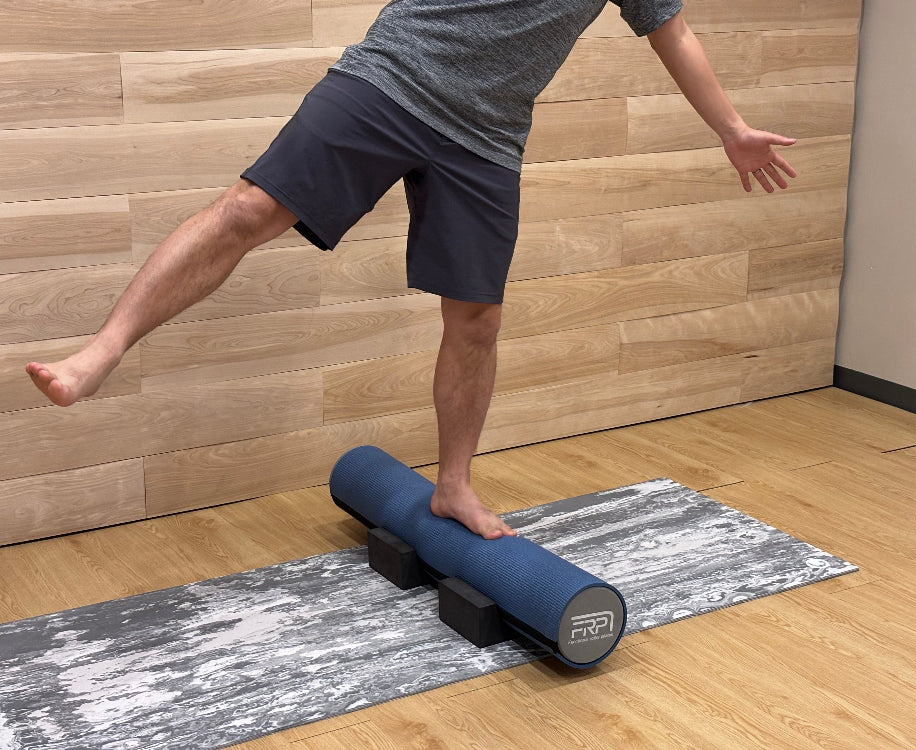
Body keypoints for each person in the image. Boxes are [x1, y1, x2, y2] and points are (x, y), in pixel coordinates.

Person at [26, 0, 795, 540]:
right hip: (390, 79)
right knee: (249, 210)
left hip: (487, 134)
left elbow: (672, 30)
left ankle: (453, 485)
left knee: (477, 318)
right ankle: (101, 351)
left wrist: (730, 129)